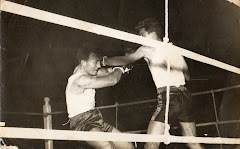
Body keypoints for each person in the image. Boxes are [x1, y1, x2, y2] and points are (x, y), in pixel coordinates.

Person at [102, 18, 205, 149]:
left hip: (169, 97)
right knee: (193, 142)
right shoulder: (173, 49)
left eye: (142, 35)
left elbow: (127, 59)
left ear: (152, 33)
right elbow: (187, 76)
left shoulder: (147, 49)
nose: (140, 39)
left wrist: (103, 61)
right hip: (185, 96)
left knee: (151, 144)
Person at [65, 47, 134, 149]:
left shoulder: (83, 70)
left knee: (128, 145)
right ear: (83, 63)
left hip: (96, 120)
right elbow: (112, 80)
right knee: (107, 147)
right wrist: (121, 68)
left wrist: (127, 60)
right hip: (81, 123)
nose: (98, 66)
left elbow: (107, 72)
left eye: (99, 62)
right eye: (95, 63)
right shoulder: (80, 79)